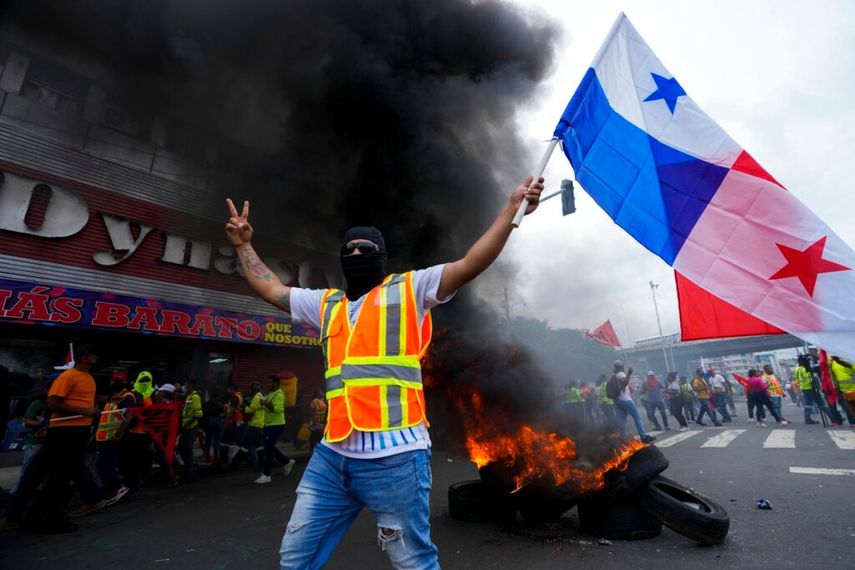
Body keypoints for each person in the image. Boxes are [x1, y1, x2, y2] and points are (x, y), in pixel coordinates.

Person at [225, 173, 544, 567]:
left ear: (381, 254)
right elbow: (272, 289)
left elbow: (472, 262)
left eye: (366, 248)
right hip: (332, 457)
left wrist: (511, 209)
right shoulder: (325, 304)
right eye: (349, 249)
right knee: (294, 557)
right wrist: (243, 245)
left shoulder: (411, 289)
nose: (356, 254)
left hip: (396, 457)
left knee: (412, 562)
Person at [38, 344, 101, 533]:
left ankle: (52, 515)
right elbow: (52, 402)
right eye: (93, 355)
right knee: (60, 476)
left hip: (79, 431)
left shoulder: (88, 378)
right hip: (64, 431)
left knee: (66, 474)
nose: (95, 359)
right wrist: (84, 411)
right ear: (83, 358)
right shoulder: (68, 376)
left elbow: (85, 400)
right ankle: (52, 519)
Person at [95, 377, 134, 505]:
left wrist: (119, 433)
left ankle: (119, 487)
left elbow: (127, 416)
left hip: (113, 438)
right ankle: (110, 490)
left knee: (103, 465)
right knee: (108, 465)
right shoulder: (112, 402)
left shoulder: (125, 399)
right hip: (107, 438)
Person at [254, 375, 295, 484]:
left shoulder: (279, 395)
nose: (268, 384)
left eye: (270, 383)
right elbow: (265, 406)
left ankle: (266, 475)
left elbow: (278, 409)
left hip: (276, 425)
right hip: (269, 425)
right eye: (267, 382)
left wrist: (265, 403)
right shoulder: (271, 394)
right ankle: (287, 462)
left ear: (276, 383)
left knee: (268, 449)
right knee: (269, 447)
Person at [10, 391, 48, 495]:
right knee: (28, 470)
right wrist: (44, 423)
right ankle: (16, 493)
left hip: (44, 443)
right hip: (34, 443)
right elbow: (26, 422)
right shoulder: (38, 403)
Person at [609, 363, 656, 444]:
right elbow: (624, 383)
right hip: (625, 400)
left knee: (622, 421)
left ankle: (622, 439)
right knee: (637, 417)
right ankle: (643, 437)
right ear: (621, 367)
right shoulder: (620, 374)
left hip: (618, 401)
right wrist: (629, 373)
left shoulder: (614, 375)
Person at [231, 381, 265, 469]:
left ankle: (234, 464)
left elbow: (250, 410)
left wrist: (242, 407)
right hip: (259, 424)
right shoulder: (261, 396)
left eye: (252, 388)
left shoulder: (257, 397)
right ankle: (262, 463)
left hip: (254, 424)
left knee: (245, 445)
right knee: (259, 446)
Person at [179, 380, 203, 482]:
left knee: (187, 450)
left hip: (190, 428)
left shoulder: (195, 397)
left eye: (187, 384)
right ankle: (188, 471)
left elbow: (198, 415)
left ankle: (189, 473)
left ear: (192, 385)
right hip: (186, 427)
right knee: (182, 449)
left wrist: (186, 425)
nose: (185, 386)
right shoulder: (189, 397)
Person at [828, 356, 855, 427]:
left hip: (843, 389)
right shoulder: (849, 360)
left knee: (850, 408)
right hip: (852, 388)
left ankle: (852, 422)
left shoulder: (832, 363)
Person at [794, 355, 819, 425]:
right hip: (810, 388)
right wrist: (815, 382)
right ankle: (834, 418)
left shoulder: (797, 369)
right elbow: (808, 379)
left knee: (808, 404)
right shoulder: (805, 369)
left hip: (804, 388)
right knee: (821, 403)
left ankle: (807, 419)